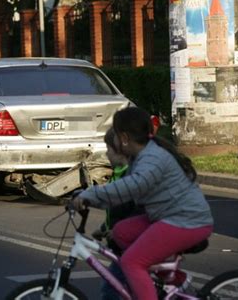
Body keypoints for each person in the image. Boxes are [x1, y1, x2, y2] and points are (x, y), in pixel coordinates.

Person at [72, 107, 213, 300]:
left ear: (123, 138)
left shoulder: (152, 159)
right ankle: (169, 278)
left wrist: (90, 195)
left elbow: (130, 187)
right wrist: (89, 197)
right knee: (121, 232)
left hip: (187, 221)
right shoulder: (143, 155)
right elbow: (121, 191)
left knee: (131, 262)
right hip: (168, 216)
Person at [93, 127, 143, 300]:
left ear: (121, 152)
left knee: (111, 290)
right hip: (122, 244)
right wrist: (104, 228)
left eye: (109, 150)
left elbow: (134, 212)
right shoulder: (117, 175)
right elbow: (116, 212)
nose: (106, 155)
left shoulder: (130, 177)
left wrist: (118, 231)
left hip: (131, 245)